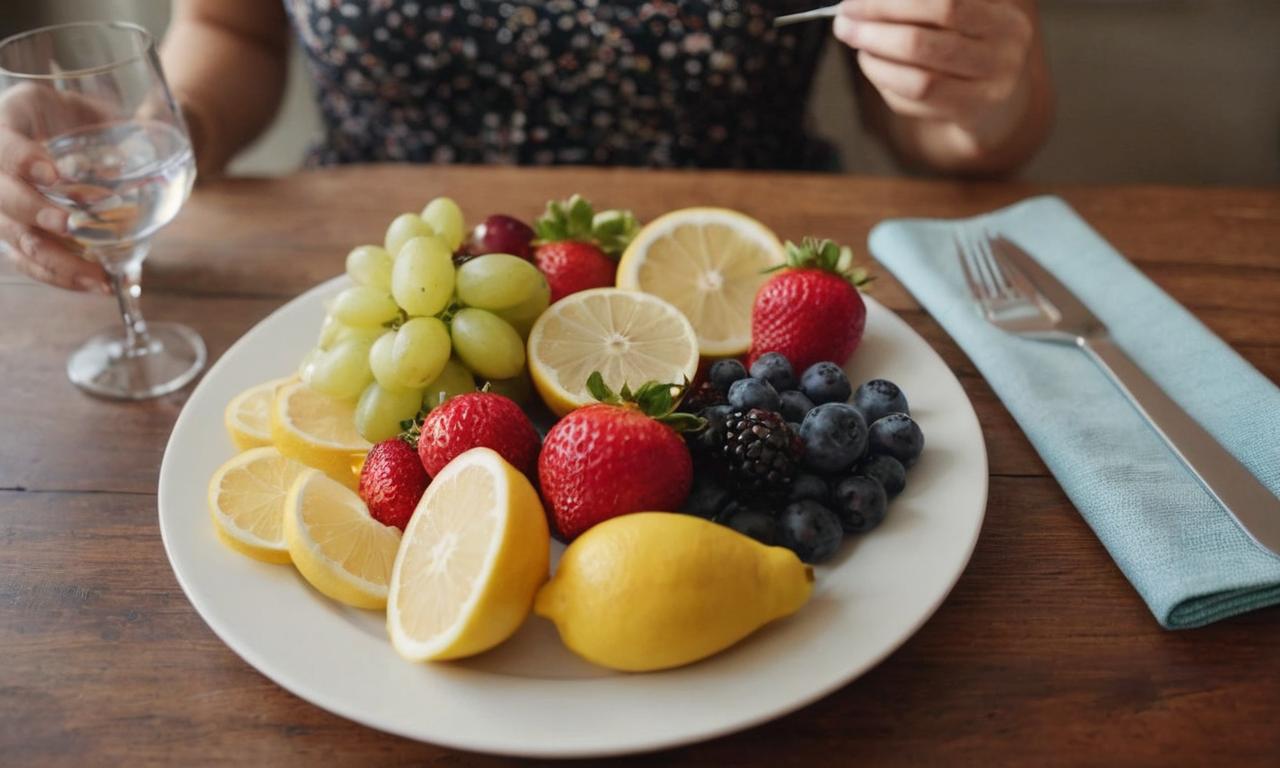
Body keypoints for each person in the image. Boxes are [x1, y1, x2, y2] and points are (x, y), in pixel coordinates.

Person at [1, 0, 1052, 292]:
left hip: (731, 282)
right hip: (371, 274)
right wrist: (147, 129)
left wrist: (973, 95)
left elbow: (949, 137)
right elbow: (230, 31)